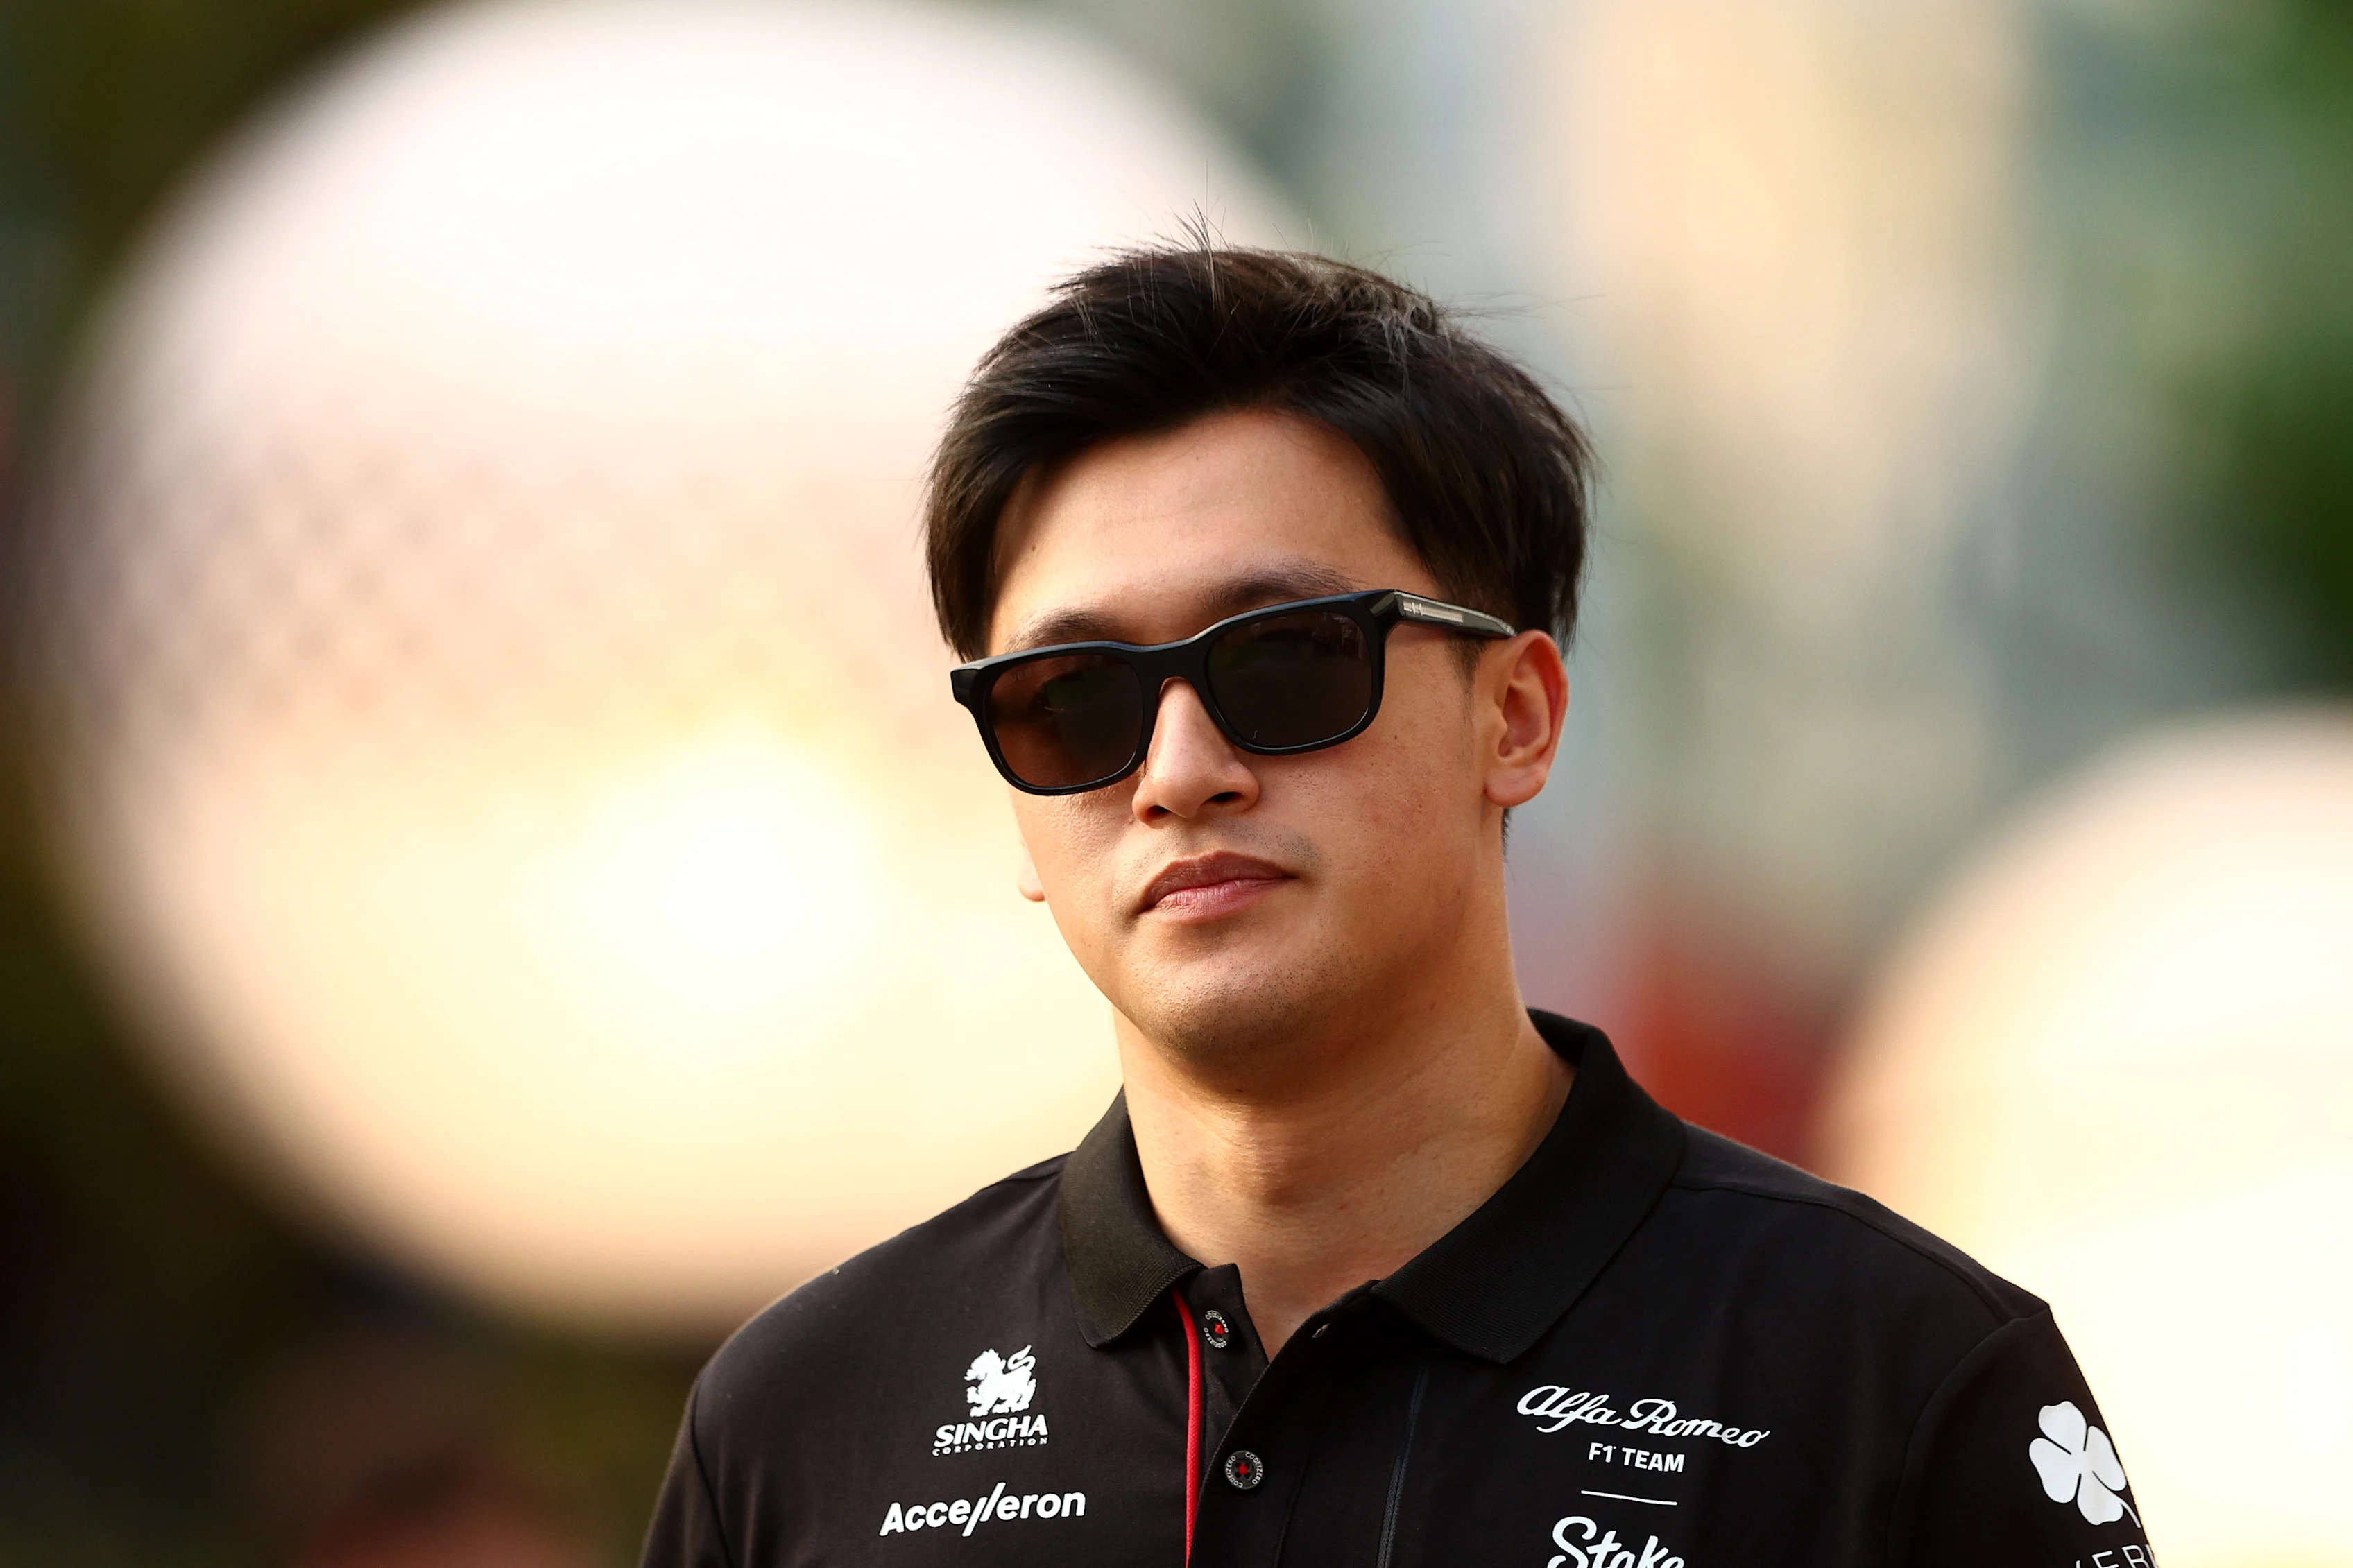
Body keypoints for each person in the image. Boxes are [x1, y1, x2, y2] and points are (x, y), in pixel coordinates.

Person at [640, 247, 2155, 1568]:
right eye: (1069, 699)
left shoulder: (1899, 1380)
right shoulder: (808, 1418)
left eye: (1287, 659)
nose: (1178, 770)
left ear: (1515, 716)